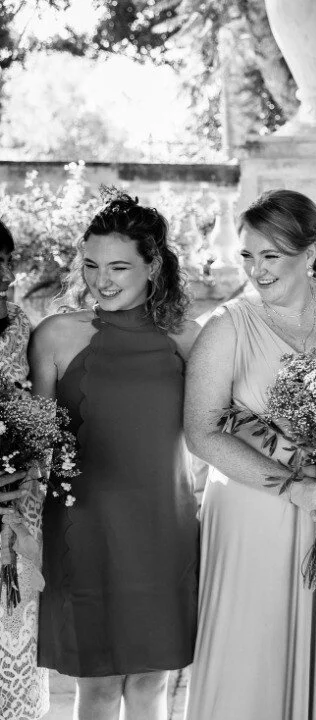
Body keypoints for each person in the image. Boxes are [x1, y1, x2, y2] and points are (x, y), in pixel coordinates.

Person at [184, 189, 316, 719]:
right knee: (255, 656)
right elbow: (201, 433)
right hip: (259, 514)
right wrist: (294, 486)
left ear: (310, 253)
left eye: (271, 256)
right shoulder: (227, 327)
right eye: (248, 256)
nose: (256, 270)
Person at [29, 194, 201, 720]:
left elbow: (215, 428)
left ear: (153, 265)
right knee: (98, 687)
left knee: (153, 682)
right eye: (91, 265)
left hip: (162, 527)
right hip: (85, 529)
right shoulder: (56, 335)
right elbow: (33, 438)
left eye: (119, 266)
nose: (102, 280)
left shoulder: (188, 338)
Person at [0, 219, 49, 719]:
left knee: (14, 632)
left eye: (3, 259)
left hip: (18, 504)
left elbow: (43, 419)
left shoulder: (27, 332)